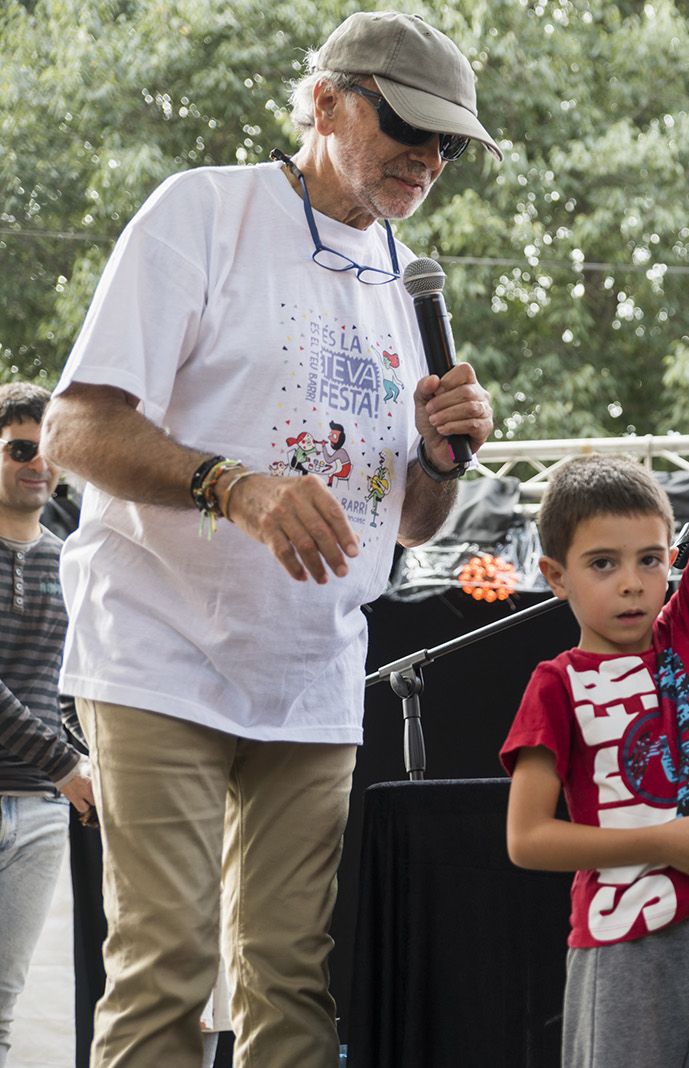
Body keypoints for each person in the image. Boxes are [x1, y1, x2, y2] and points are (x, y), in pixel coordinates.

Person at [39, 12, 500, 1065]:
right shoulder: (204, 213)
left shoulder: (405, 280)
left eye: (448, 146)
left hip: (310, 674)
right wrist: (230, 486)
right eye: (409, 129)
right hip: (160, 652)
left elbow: (404, 532)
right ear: (327, 101)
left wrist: (433, 461)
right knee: (166, 970)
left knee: (292, 978)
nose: (428, 160)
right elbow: (74, 427)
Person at [501, 334, 689, 1068]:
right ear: (555, 576)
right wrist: (659, 844)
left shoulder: (688, 635)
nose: (632, 582)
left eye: (650, 560)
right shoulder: (555, 684)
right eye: (603, 564)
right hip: (621, 942)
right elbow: (528, 839)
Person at [0, 383, 92, 1068]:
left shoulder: (71, 558)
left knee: (4, 1006)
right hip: (48, 780)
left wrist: (88, 761)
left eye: (50, 449)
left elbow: (72, 685)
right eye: (20, 449)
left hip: (38, 812)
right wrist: (66, 765)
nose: (39, 463)